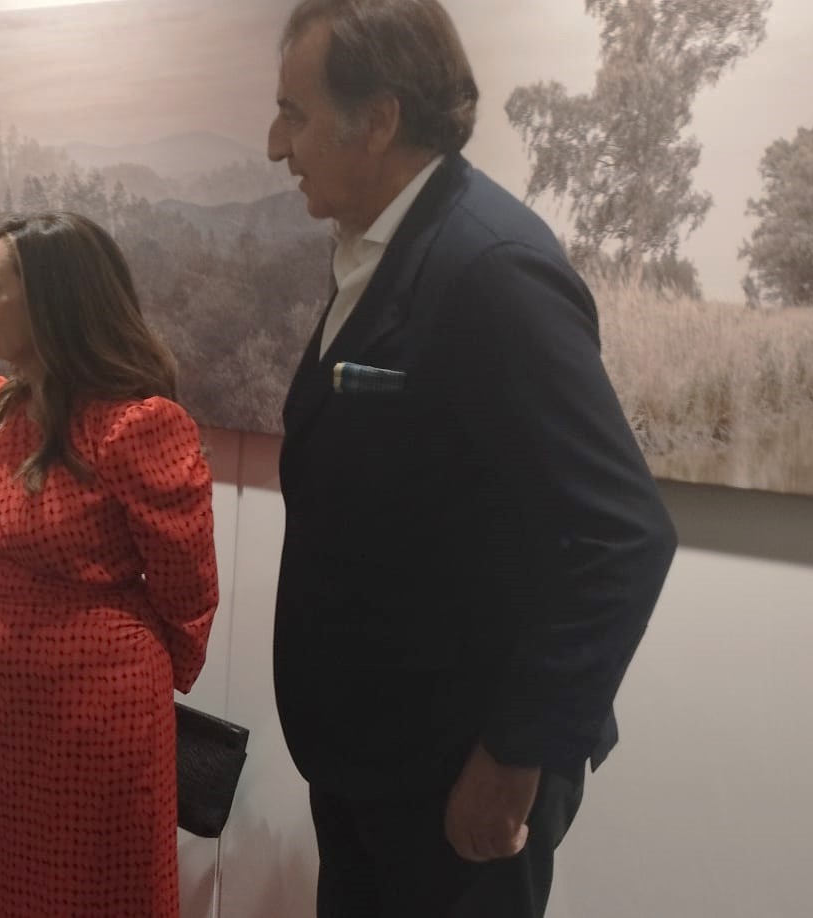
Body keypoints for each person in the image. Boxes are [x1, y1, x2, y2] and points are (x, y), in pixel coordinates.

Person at [265, 2, 679, 915]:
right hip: (377, 765)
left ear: (378, 121)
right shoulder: (383, 248)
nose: (274, 144)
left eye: (294, 113)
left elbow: (622, 535)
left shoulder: (488, 267)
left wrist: (516, 755)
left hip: (458, 783)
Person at [0, 212, 219, 917]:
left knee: (92, 894)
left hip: (98, 713)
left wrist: (139, 670)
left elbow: (188, 588)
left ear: (50, 301)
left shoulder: (135, 426)